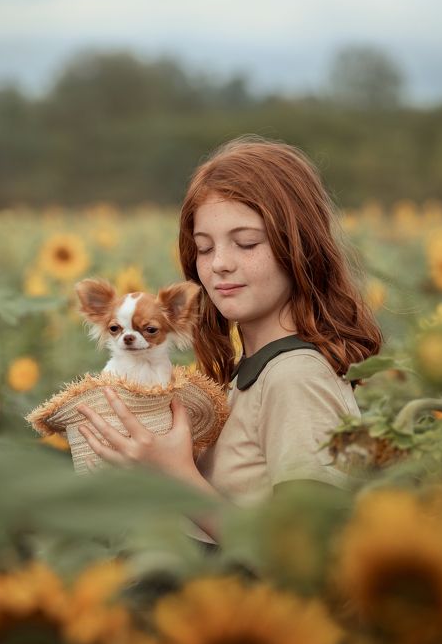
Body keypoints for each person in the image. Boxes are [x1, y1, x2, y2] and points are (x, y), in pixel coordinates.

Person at [76, 136, 382, 541]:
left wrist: (176, 476)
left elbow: (307, 550)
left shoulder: (296, 378)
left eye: (246, 243)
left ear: (300, 247)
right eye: (204, 248)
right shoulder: (246, 373)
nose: (219, 263)